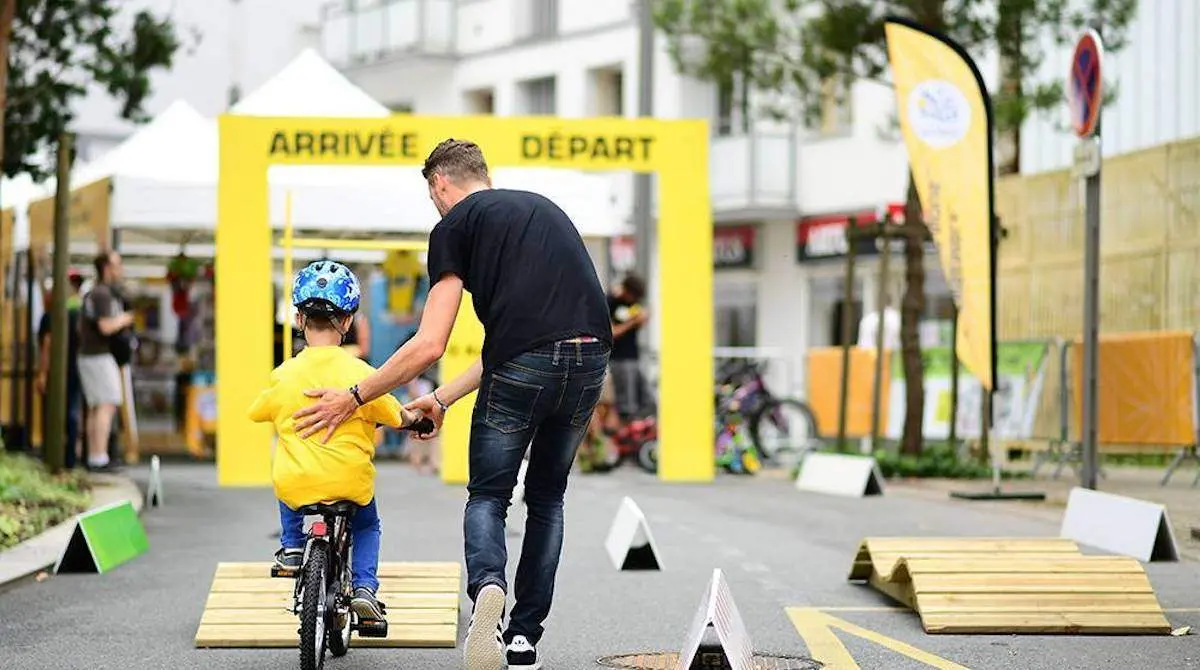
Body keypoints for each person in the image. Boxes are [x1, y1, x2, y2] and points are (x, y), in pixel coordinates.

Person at [292, 138, 612, 670]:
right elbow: (525, 341)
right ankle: (523, 637)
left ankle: (488, 586)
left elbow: (429, 342)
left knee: (489, 496)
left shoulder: (456, 225)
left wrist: (354, 396)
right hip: (590, 358)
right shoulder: (546, 211)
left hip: (525, 364)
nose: (436, 207)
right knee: (548, 499)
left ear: (440, 183)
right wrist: (440, 398)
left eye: (432, 196)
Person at [248, 260, 422, 622]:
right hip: (349, 481)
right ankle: (363, 588)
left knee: (285, 473)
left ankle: (293, 545)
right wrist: (412, 421)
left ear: (299, 320)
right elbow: (394, 415)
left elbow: (258, 411)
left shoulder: (285, 374)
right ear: (347, 322)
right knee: (367, 523)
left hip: (298, 482)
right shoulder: (361, 374)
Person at [77, 251, 135, 472]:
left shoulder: (94, 293)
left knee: (96, 406)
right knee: (107, 404)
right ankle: (99, 457)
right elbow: (105, 326)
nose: (119, 270)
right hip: (98, 355)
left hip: (90, 355)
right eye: (116, 265)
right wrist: (125, 319)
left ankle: (95, 455)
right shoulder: (103, 295)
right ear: (106, 268)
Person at [35, 269, 85, 469]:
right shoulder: (76, 313)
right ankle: (68, 458)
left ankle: (57, 457)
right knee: (70, 414)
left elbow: (46, 344)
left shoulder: (53, 315)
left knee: (57, 414)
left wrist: (42, 373)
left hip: (63, 372)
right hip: (72, 371)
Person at [607, 274, 652, 420]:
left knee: (646, 399)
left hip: (633, 357)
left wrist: (642, 319)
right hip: (619, 358)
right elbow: (611, 332)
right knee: (627, 404)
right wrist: (632, 322)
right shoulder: (611, 302)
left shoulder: (632, 304)